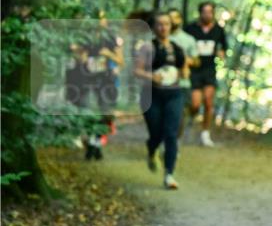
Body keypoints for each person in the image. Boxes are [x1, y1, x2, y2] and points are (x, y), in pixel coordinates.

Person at [135, 11, 189, 189]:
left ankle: (169, 174)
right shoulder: (147, 48)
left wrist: (181, 73)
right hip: (151, 96)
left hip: (174, 95)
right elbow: (136, 71)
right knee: (156, 133)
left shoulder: (177, 48)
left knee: (171, 134)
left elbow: (185, 69)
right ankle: (151, 150)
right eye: (159, 24)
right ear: (153, 27)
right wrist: (152, 76)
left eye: (166, 24)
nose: (163, 27)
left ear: (171, 26)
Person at [66, 11, 123, 160]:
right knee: (88, 111)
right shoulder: (84, 37)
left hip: (106, 80)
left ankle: (95, 142)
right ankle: (93, 141)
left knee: (106, 112)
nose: (99, 22)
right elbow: (76, 55)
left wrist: (108, 55)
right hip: (87, 80)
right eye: (96, 18)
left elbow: (120, 61)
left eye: (102, 18)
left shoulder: (111, 38)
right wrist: (81, 57)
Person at [184, 1, 227, 147]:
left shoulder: (218, 30)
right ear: (200, 13)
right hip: (194, 71)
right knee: (195, 103)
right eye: (205, 12)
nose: (207, 15)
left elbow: (223, 47)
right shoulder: (190, 28)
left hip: (209, 70)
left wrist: (221, 53)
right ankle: (191, 116)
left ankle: (205, 134)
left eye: (210, 12)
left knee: (209, 102)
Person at [168, 8, 199, 139]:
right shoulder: (158, 37)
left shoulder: (188, 39)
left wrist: (187, 61)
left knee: (179, 116)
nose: (171, 20)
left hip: (182, 83)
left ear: (180, 20)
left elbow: (197, 61)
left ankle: (173, 144)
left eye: (174, 17)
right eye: (169, 17)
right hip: (161, 83)